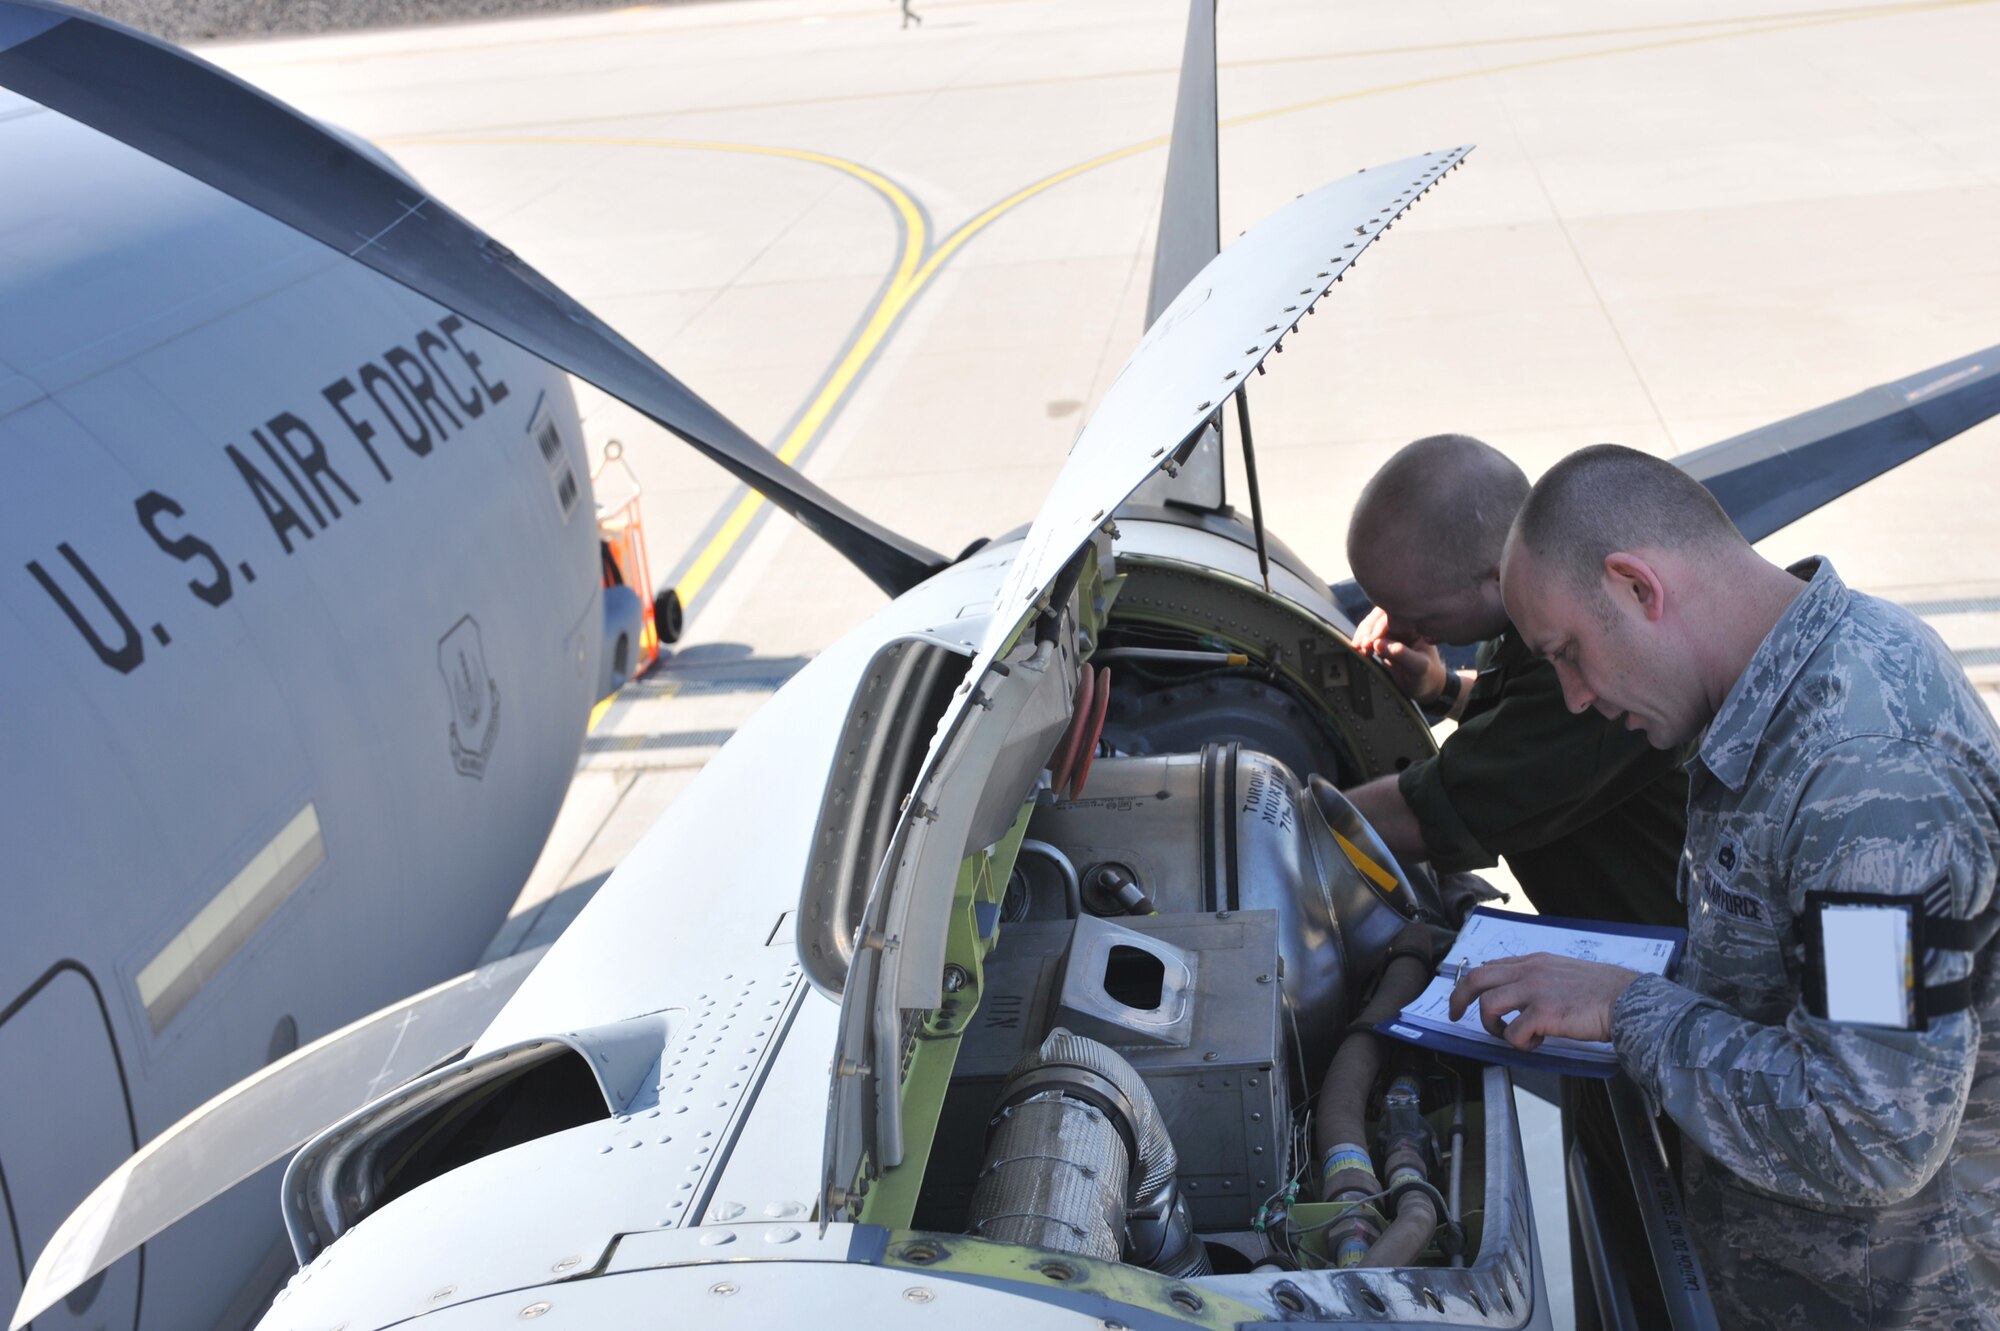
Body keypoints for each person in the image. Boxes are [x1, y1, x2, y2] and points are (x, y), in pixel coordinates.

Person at [1456, 443, 2000, 1328]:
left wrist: (1630, 1007)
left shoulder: (1866, 781)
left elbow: (1866, 1127)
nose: (1575, 699)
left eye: (1569, 653)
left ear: (1639, 587)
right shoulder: (1779, 699)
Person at [1341, 433, 1687, 927]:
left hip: (1679, 970)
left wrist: (1290, 816)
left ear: (1498, 578)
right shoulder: (1533, 609)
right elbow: (1521, 719)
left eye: (1418, 616)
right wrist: (1443, 689)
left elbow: (1434, 810)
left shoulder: (1597, 657)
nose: (1393, 630)